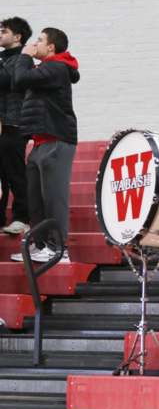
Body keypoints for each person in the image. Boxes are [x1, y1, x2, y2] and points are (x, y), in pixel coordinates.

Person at [10, 27, 79, 263]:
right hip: (39, 141)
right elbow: (16, 82)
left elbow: (20, 78)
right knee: (36, 200)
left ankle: (59, 249)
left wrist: (25, 55)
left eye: (39, 40)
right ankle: (40, 245)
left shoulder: (57, 67)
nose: (34, 43)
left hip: (57, 140)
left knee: (54, 198)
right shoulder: (45, 69)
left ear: (51, 47)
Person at [0, 17, 32, 235]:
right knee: (1, 176)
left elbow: (10, 81)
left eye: (4, 31)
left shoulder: (23, 59)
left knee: (15, 173)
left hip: (14, 124)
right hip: (1, 124)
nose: (0, 34)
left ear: (18, 36)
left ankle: (22, 218)